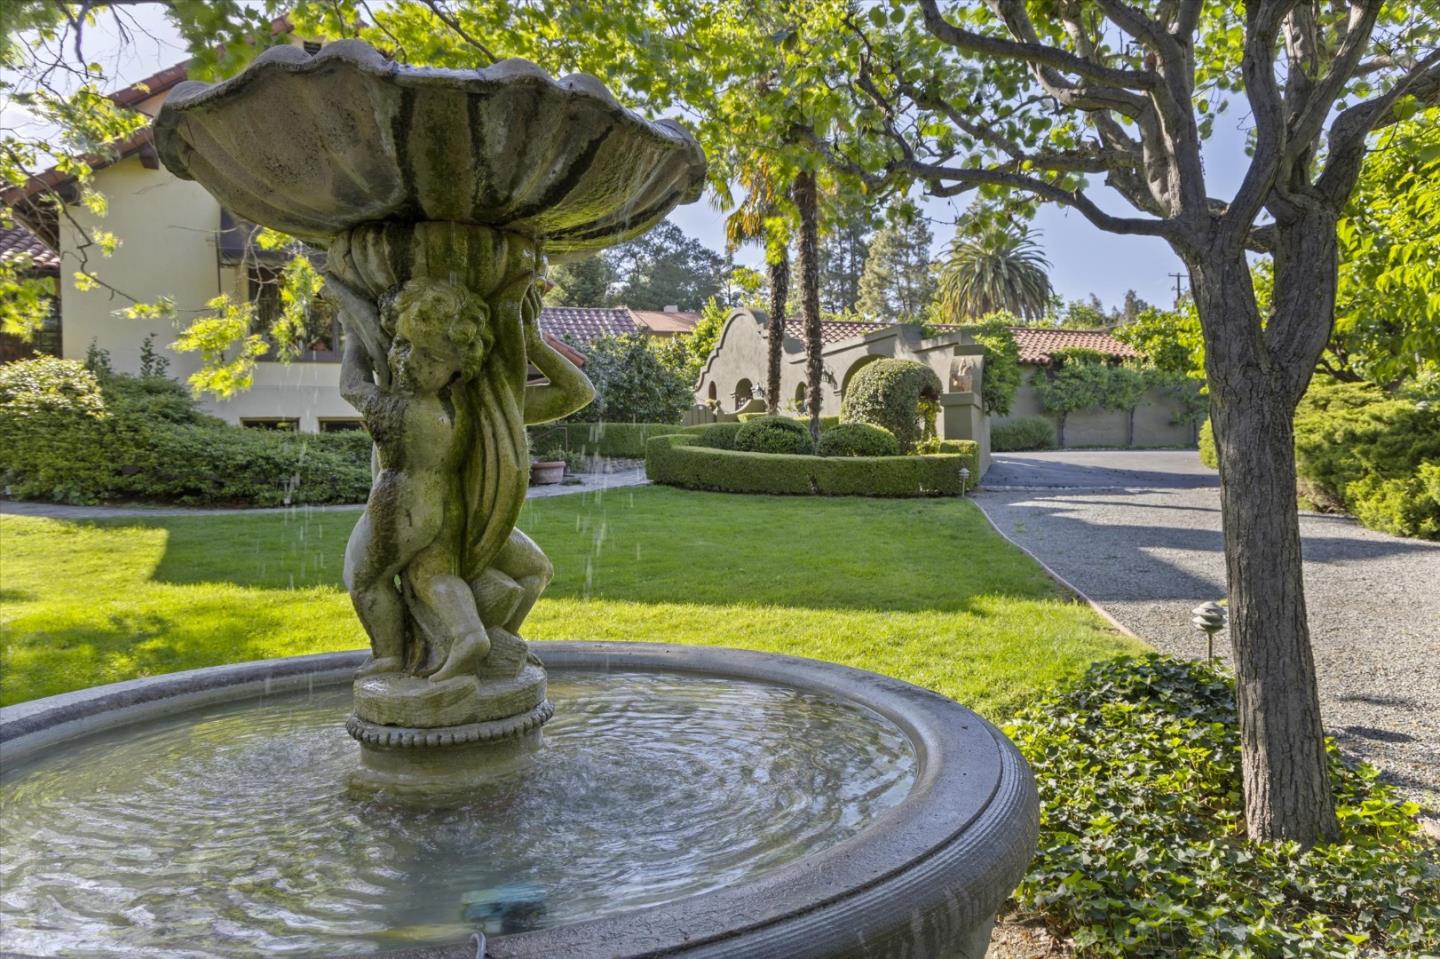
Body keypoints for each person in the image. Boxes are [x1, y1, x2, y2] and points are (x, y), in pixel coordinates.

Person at [341, 278, 493, 681]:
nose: (407, 361)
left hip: (400, 504)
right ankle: (468, 633)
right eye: (401, 344)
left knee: (363, 578)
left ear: (457, 365)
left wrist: (353, 337)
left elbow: (351, 386)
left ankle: (388, 656)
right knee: (435, 576)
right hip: (446, 504)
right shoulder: (459, 407)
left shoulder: (394, 409)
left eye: (429, 356)